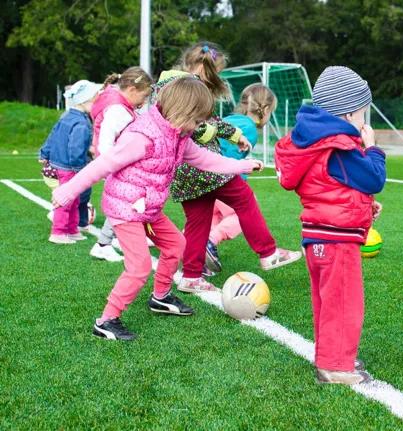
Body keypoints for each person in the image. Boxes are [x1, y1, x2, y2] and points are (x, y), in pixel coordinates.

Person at [51, 77, 263, 341]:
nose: (199, 126)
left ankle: (160, 297)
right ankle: (106, 321)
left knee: (176, 245)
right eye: (197, 120)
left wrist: (243, 165)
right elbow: (103, 164)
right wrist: (67, 191)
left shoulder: (179, 136)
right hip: (126, 209)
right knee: (139, 267)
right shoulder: (142, 137)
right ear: (183, 112)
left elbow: (205, 159)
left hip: (148, 208)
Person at [154, 42, 301, 294]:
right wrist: (219, 137)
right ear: (203, 67)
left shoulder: (170, 84)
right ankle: (268, 253)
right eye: (216, 72)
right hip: (202, 165)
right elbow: (197, 126)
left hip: (183, 171)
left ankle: (191, 276)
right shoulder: (187, 87)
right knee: (244, 198)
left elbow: (209, 120)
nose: (216, 78)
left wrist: (235, 135)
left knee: (198, 222)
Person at [274, 66, 386, 385]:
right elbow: (374, 178)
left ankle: (330, 355)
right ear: (348, 113)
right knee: (343, 303)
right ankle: (335, 366)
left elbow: (331, 186)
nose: (363, 121)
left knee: (327, 302)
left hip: (318, 236)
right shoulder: (338, 146)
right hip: (337, 241)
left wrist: (364, 207)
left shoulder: (315, 143)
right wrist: (373, 148)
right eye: (362, 113)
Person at [204, 83, 278, 273]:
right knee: (243, 211)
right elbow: (227, 153)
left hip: (203, 176)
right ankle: (210, 241)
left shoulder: (230, 119)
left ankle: (192, 250)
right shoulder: (249, 129)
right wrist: (240, 168)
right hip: (221, 179)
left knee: (211, 217)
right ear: (266, 110)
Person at [88, 66, 154, 263]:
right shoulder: (118, 110)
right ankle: (103, 244)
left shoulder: (119, 104)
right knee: (124, 203)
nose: (144, 102)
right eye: (144, 96)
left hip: (117, 164)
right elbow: (106, 141)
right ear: (132, 90)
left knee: (130, 201)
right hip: (116, 165)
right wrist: (113, 165)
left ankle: (116, 239)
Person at [39, 80, 102, 244]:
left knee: (74, 199)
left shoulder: (66, 116)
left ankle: (72, 230)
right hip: (71, 167)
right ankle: (58, 232)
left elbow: (52, 135)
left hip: (62, 164)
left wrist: (44, 152)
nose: (96, 105)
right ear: (85, 101)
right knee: (67, 200)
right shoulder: (81, 123)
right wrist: (79, 168)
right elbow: (75, 148)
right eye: (95, 101)